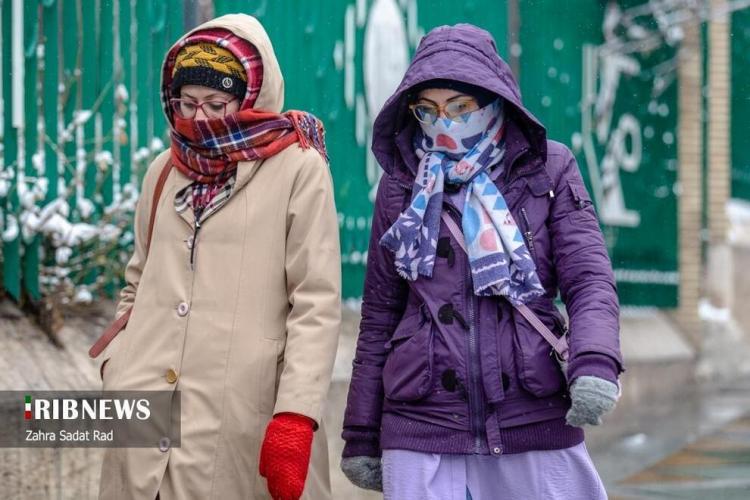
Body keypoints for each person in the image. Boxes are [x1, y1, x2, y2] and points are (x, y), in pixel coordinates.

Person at [341, 23, 623, 499]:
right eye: (427, 110)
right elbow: (379, 317)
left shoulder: (548, 168)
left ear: (493, 102)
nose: (442, 123)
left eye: (459, 108)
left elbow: (590, 278)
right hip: (421, 416)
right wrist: (362, 433)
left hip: (530, 411)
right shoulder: (401, 182)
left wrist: (595, 362)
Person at [90, 13, 341, 500]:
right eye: (187, 104)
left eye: (215, 103)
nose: (199, 119)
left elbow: (316, 304)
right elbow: (137, 283)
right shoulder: (164, 169)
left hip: (241, 420)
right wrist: (117, 371)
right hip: (144, 420)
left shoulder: (299, 169)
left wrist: (295, 414)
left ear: (250, 96)